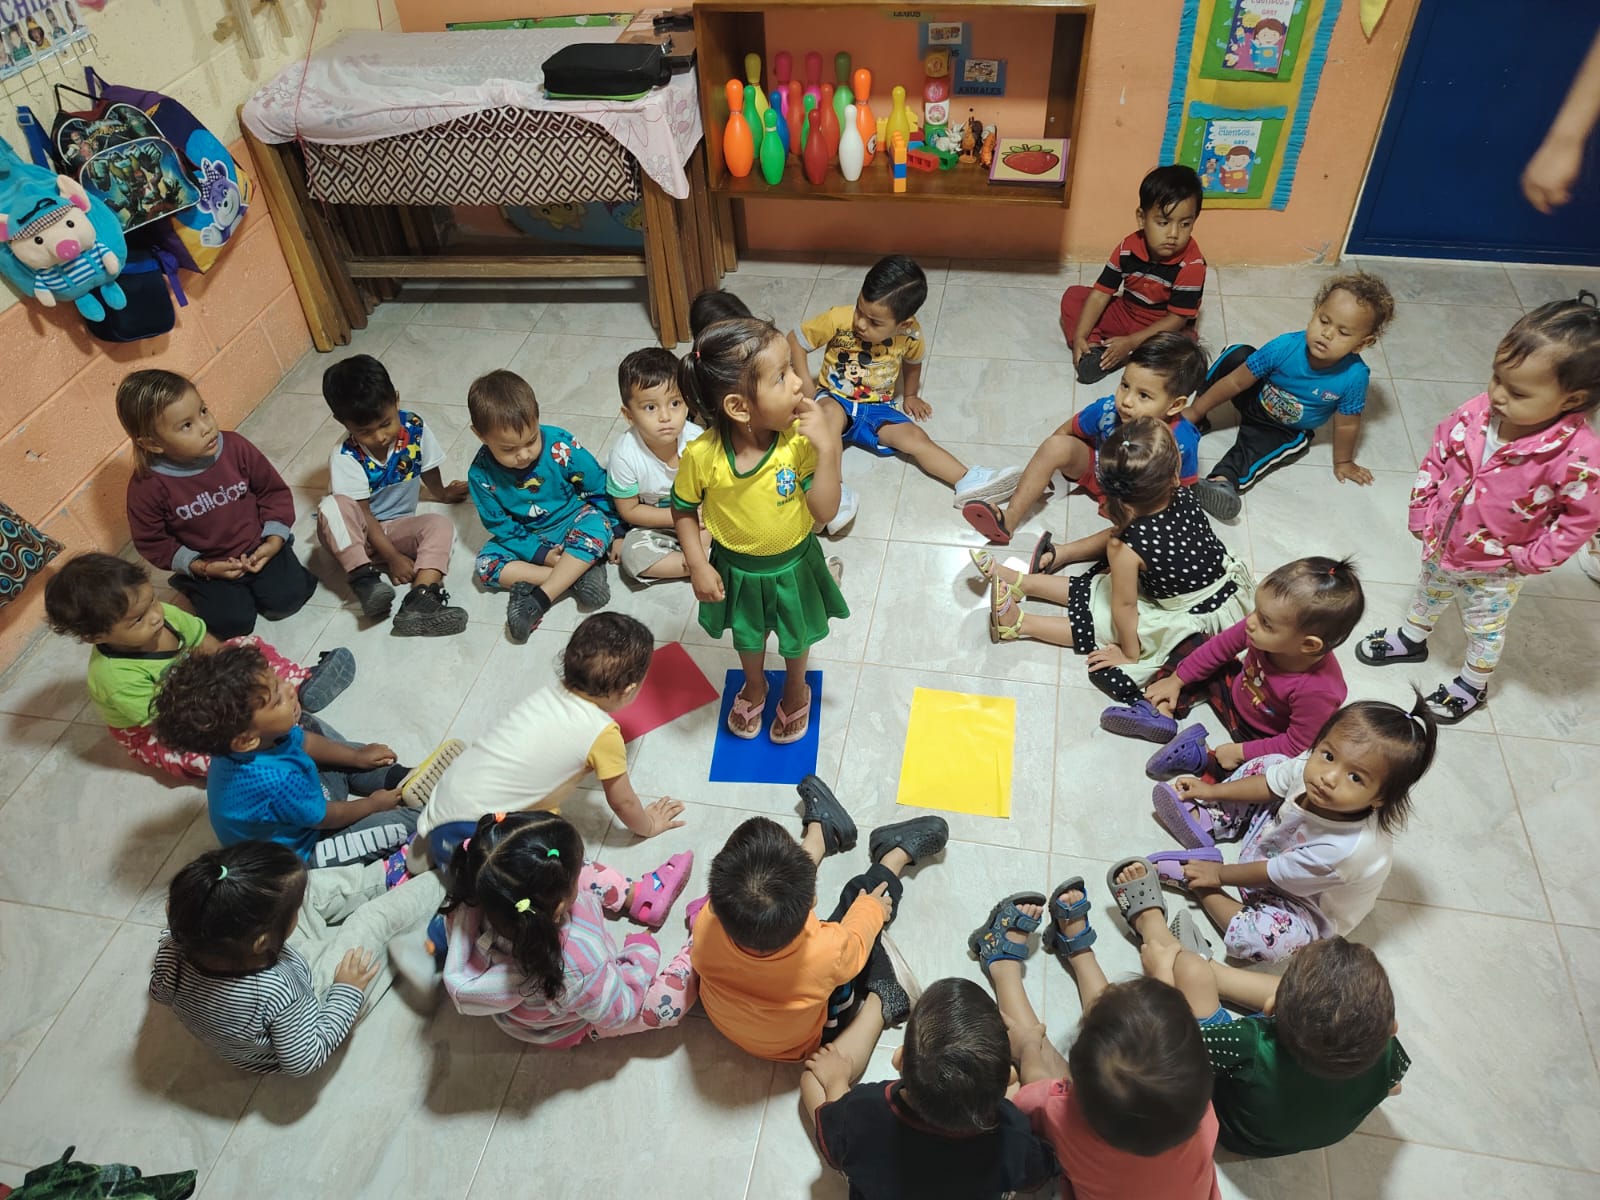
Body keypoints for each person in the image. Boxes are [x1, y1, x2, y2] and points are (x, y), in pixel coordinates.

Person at [1356, 296, 1600, 722]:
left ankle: (1473, 684)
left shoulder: (1578, 456)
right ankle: (1412, 638)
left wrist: (1533, 558)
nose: (1498, 395)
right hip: (1442, 540)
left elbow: (1581, 519)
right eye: (1496, 378)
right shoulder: (1477, 413)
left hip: (1498, 567)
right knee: (1428, 592)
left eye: (1517, 391)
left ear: (1570, 399)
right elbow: (1437, 455)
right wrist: (1422, 509)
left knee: (1484, 628)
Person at [1120, 865, 1411, 1158]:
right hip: (1299, 1126)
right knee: (1323, 1000)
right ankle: (1216, 974)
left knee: (1190, 970)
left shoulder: (1250, 1042)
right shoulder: (1384, 1048)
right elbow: (1394, 1086)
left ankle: (1151, 925)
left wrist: (1161, 977)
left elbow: (1175, 1052)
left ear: (1270, 1009)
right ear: (1392, 1028)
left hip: (1239, 1131)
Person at [968, 877, 1221, 1200]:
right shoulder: (1201, 1114)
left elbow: (1033, 1090)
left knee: (1029, 1052)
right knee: (1135, 1036)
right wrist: (1162, 976)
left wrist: (1029, 1047)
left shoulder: (1063, 1120)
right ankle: (1080, 952)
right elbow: (1162, 1048)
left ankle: (1002, 967)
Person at [973, 418, 1253, 708]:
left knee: (1103, 619)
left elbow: (1125, 608)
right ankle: (1020, 582)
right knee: (1100, 589)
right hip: (1226, 593)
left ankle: (1019, 624)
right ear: (1174, 475)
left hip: (1195, 620)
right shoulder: (1183, 494)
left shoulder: (1126, 547)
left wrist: (1129, 653)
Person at [1150, 696, 1437, 961]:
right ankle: (1213, 819)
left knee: (1266, 942)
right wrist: (1212, 792)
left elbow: (1272, 873)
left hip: (1303, 902)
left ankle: (1200, 884)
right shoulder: (1312, 768)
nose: (1329, 777)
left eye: (1355, 777)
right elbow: (1268, 784)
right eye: (1328, 755)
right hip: (1278, 840)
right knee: (1273, 764)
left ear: (1380, 798)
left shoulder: (1348, 850)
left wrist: (1217, 875)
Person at [673, 317, 849, 744]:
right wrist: (697, 563)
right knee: (748, 637)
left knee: (796, 636)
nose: (798, 383)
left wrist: (828, 449)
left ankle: (795, 686)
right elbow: (683, 507)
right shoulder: (702, 455)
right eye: (782, 376)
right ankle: (754, 685)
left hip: (794, 565)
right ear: (739, 407)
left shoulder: (798, 443)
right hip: (737, 570)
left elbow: (825, 511)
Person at [691, 777, 947, 1062]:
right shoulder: (826, 953)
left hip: (735, 1027)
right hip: (803, 1040)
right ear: (812, 900)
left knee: (774, 886)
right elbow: (856, 938)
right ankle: (892, 858)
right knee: (861, 901)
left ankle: (822, 834)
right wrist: (873, 908)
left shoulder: (705, 924)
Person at [406, 613, 687, 873]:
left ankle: (428, 851)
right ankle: (452, 873)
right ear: (628, 690)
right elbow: (623, 802)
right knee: (553, 863)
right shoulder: (603, 734)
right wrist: (649, 825)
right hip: (475, 829)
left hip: (445, 799)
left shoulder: (549, 694)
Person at [43, 552, 352, 780]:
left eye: (152, 601)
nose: (155, 616)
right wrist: (229, 719)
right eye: (137, 620)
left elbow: (210, 645)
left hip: (199, 680)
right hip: (169, 722)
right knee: (207, 756)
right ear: (95, 636)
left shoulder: (165, 616)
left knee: (244, 647)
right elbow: (168, 725)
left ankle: (302, 684)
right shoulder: (115, 678)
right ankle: (268, 757)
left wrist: (238, 682)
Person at [151, 643, 460, 870]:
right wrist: (372, 805)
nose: (289, 688)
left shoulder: (251, 741)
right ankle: (417, 808)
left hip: (303, 805)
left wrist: (357, 757)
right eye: (276, 700)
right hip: (302, 851)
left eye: (278, 682)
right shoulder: (276, 780)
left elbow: (307, 742)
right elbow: (325, 818)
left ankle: (400, 779)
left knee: (312, 729)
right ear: (246, 739)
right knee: (401, 822)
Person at [149, 841, 445, 1076]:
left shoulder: (176, 945)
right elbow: (304, 1059)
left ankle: (384, 875)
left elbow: (160, 992)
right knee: (368, 921)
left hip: (274, 964)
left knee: (295, 888)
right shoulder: (277, 992)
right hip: (318, 1006)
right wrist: (346, 990)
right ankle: (448, 879)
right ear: (262, 943)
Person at [406, 810, 697, 1044]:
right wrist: (640, 954)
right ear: (558, 909)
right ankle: (696, 948)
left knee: (559, 864)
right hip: (564, 1027)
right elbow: (620, 1010)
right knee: (665, 1007)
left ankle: (639, 897)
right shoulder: (577, 963)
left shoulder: (478, 894)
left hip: (520, 1008)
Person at [789, 255, 1021, 525]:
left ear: (903, 324)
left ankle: (967, 480)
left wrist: (910, 395)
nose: (861, 323)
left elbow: (913, 362)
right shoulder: (837, 318)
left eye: (874, 322)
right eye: (860, 310)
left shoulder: (911, 334)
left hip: (877, 407)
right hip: (835, 398)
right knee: (827, 423)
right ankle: (834, 496)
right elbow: (795, 340)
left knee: (914, 437)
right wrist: (808, 386)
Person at [1104, 556, 1362, 781]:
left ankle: (1200, 758)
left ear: (1308, 645)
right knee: (1197, 643)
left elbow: (1296, 746)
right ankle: (1160, 712)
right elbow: (1221, 646)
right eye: (1257, 611)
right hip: (1236, 689)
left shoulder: (1319, 691)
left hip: (1259, 735)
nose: (1251, 622)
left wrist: (1240, 753)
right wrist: (1176, 680)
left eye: (1266, 622)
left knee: (1272, 775)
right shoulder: (1257, 628)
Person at [800, 977, 1059, 1199]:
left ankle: (882, 999)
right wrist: (1028, 1049)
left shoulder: (863, 1111)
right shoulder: (1012, 1138)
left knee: (812, 1080)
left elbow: (834, 1138)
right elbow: (1042, 1168)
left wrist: (837, 1080)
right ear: (1008, 1078)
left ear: (899, 1059)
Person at [961, 332, 1208, 550]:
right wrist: (1044, 471)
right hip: (1097, 468)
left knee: (1148, 530)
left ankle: (1095, 561)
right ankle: (1010, 518)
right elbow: (1064, 432)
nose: (1126, 401)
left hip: (1134, 501)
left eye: (1143, 395)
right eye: (1125, 385)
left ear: (1175, 405)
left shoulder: (1182, 441)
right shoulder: (1108, 410)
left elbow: (1180, 492)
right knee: (1055, 446)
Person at [119, 369, 318, 639]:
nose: (206, 426)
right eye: (186, 426)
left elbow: (273, 492)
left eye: (203, 411)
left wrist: (274, 539)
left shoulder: (235, 447)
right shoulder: (147, 486)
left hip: (259, 545)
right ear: (153, 444)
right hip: (210, 565)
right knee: (232, 624)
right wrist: (199, 567)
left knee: (289, 599)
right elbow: (152, 541)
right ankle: (190, 584)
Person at [1181, 273, 1395, 520]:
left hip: (1283, 428)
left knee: (1255, 450)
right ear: (1315, 312)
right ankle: (1197, 419)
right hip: (1255, 395)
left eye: (1343, 332)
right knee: (1237, 354)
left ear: (1361, 344)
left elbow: (1347, 423)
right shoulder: (1285, 346)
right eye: (1324, 321)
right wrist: (1195, 411)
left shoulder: (1354, 376)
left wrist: (1344, 461)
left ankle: (1222, 480)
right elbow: (1236, 381)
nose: (1327, 333)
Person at [317, 355, 469, 636]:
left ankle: (421, 600)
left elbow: (427, 467)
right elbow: (362, 513)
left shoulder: (414, 428)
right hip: (355, 536)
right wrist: (392, 557)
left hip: (395, 528)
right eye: (365, 431)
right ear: (342, 422)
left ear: (396, 399)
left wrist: (442, 493)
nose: (379, 437)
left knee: (441, 525)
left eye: (385, 423)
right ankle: (364, 579)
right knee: (332, 506)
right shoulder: (345, 455)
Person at [465, 369, 618, 641]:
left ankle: (539, 599)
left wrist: (617, 531)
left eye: (531, 441)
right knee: (486, 564)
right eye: (508, 449)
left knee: (598, 525)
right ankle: (575, 573)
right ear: (480, 435)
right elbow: (500, 526)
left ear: (537, 417)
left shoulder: (560, 445)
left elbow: (597, 486)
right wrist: (541, 553)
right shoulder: (480, 475)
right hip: (527, 535)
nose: (523, 455)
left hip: (575, 518)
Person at [1060, 165, 1207, 385]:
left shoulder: (1192, 265)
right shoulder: (1128, 248)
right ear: (1141, 218)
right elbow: (1101, 294)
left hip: (1163, 327)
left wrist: (1130, 342)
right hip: (1126, 313)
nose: (1174, 234)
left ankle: (1133, 353)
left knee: (1183, 352)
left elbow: (1176, 319)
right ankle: (1094, 351)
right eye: (1163, 223)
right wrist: (1081, 335)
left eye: (1185, 224)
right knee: (1074, 296)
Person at [606, 347, 711, 585]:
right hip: (657, 524)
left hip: (701, 518)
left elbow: (713, 488)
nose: (665, 416)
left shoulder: (697, 439)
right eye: (651, 408)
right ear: (629, 415)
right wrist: (677, 518)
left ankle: (700, 559)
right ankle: (697, 564)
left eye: (675, 403)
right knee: (632, 555)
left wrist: (701, 514)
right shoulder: (624, 455)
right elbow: (630, 510)